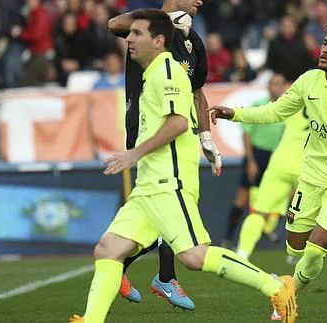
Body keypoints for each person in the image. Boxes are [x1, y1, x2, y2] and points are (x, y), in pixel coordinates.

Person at [69, 9, 297, 323]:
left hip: (169, 181)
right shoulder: (151, 72)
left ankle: (276, 287)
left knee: (193, 256)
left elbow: (177, 123)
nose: (130, 40)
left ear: (159, 40)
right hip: (148, 186)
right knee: (107, 250)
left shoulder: (168, 72)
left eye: (138, 34)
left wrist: (135, 154)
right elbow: (114, 25)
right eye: (130, 34)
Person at [210, 21, 327, 318]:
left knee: (314, 249)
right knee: (296, 247)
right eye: (325, 43)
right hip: (311, 176)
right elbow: (276, 111)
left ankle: (286, 297)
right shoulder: (309, 81)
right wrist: (235, 113)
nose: (325, 50)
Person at [107, 0, 222, 309]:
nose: (200, 1)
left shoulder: (192, 39)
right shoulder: (150, 30)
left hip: (180, 135)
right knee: (170, 204)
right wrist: (162, 19)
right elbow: (114, 24)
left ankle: (126, 264)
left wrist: (207, 137)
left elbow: (197, 92)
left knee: (170, 205)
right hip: (149, 129)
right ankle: (163, 276)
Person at [235, 102, 309, 261]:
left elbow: (270, 114)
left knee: (259, 212)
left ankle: (242, 253)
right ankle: (298, 253)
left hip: (280, 163)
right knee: (308, 214)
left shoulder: (296, 98)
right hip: (308, 166)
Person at [222, 73, 286, 249]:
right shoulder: (259, 105)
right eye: (274, 84)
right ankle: (228, 238)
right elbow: (246, 133)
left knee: (281, 195)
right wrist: (250, 160)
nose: (277, 87)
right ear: (268, 87)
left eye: (280, 84)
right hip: (256, 155)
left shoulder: (287, 109)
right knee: (242, 199)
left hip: (275, 157)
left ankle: (269, 229)